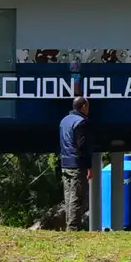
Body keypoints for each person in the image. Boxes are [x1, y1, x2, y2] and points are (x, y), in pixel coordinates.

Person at [58, 97, 92, 230]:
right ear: (83, 106)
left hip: (65, 163)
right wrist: (89, 165)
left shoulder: (64, 121)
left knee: (68, 196)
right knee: (77, 197)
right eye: (87, 107)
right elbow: (83, 146)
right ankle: (73, 228)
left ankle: (69, 225)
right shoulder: (82, 123)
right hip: (77, 164)